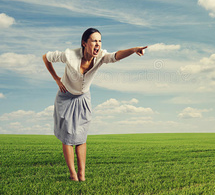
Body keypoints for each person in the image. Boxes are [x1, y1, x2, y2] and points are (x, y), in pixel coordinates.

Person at [43, 28, 147, 181]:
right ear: (85, 44)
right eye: (94, 41)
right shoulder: (69, 55)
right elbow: (46, 57)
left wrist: (134, 50)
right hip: (65, 97)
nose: (98, 44)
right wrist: (57, 79)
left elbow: (116, 56)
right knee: (68, 137)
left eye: (100, 41)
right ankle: (73, 175)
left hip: (83, 98)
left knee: (81, 137)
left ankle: (82, 174)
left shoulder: (100, 57)